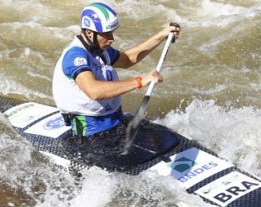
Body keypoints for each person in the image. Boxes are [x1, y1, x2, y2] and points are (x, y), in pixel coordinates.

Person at [52, 2, 180, 138]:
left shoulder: (100, 49)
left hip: (115, 119)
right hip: (90, 130)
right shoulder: (75, 55)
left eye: (111, 32)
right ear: (89, 33)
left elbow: (127, 59)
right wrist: (140, 81)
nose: (112, 39)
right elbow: (93, 91)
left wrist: (161, 36)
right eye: (106, 34)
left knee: (161, 139)